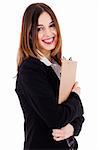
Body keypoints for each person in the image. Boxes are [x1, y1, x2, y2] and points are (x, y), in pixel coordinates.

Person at [15, 3, 84, 150]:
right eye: (40, 29)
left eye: (52, 25)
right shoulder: (30, 69)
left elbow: (79, 115)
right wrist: (75, 95)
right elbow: (56, 118)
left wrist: (71, 129)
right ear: (29, 33)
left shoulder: (56, 65)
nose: (49, 33)